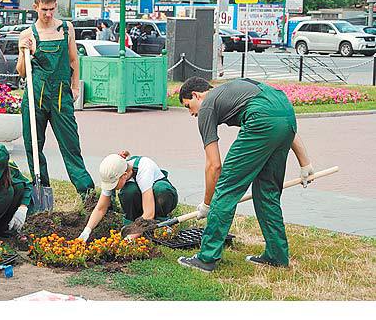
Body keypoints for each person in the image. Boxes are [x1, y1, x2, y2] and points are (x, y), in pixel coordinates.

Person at [176, 77, 314, 272]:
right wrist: (305, 162)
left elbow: (214, 166)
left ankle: (206, 258)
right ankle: (277, 256)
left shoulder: (207, 106)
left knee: (226, 189)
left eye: (188, 106)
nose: (191, 113)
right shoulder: (232, 90)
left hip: (262, 119)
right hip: (286, 114)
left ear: (196, 95)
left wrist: (207, 204)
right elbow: (279, 118)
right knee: (267, 192)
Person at [16, 0, 94, 198]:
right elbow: (22, 72)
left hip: (61, 96)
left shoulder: (66, 29)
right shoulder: (27, 34)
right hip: (36, 96)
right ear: (35, 8)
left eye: (51, 9)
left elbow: (73, 60)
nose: (48, 14)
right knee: (33, 145)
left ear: (55, 6)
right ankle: (42, 194)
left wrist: (75, 86)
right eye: (44, 10)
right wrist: (23, 52)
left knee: (71, 145)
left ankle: (87, 194)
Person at [77, 151, 178, 241]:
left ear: (124, 175)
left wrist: (129, 238)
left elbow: (149, 213)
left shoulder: (144, 168)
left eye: (114, 184)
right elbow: (100, 208)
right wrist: (86, 231)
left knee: (162, 190)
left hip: (158, 199)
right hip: (143, 200)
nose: (112, 187)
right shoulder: (113, 172)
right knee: (128, 191)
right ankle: (131, 223)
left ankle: (161, 222)